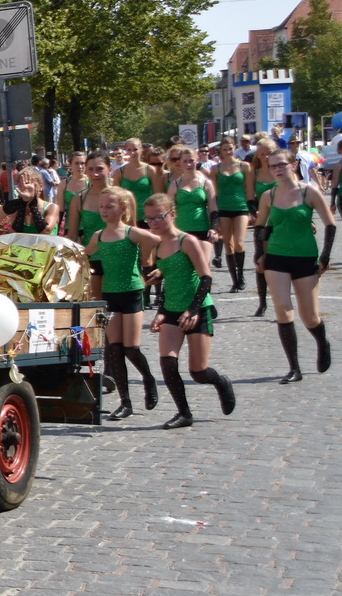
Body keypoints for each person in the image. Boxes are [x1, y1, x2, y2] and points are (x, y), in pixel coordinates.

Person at [144, 193, 237, 428]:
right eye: (149, 219)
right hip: (172, 310)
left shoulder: (187, 241)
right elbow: (171, 280)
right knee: (167, 362)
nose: (154, 223)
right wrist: (161, 311)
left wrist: (194, 310)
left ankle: (221, 382)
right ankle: (184, 413)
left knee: (198, 371)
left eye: (159, 217)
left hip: (197, 307)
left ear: (172, 215)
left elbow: (206, 278)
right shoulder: (156, 245)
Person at [252, 149, 335, 384]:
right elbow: (261, 226)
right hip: (276, 257)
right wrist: (260, 253)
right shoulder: (268, 195)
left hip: (305, 256)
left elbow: (330, 224)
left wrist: (325, 256)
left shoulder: (309, 191)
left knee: (309, 316)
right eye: (273, 166)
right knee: (282, 309)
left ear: (294, 164)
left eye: (281, 165)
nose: (277, 169)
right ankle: (294, 367)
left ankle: (322, 341)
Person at [83, 187, 161, 420]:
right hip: (110, 295)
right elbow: (83, 254)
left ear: (123, 209)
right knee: (114, 349)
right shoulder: (98, 235)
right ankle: (125, 402)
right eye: (102, 206)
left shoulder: (132, 233)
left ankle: (148, 379)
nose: (104, 210)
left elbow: (160, 240)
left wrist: (154, 265)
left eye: (110, 206)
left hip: (132, 292)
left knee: (131, 348)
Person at [67, 150, 115, 300]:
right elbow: (73, 235)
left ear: (109, 169)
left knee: (117, 307)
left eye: (100, 169)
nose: (95, 174)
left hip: (118, 257)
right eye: (91, 169)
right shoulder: (79, 199)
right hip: (92, 257)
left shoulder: (123, 196)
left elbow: (132, 230)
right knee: (96, 308)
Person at [166, 144, 220, 274]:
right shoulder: (175, 185)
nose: (189, 164)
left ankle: (204, 294)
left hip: (202, 228)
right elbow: (168, 210)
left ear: (197, 160)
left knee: (203, 269)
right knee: (184, 269)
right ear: (180, 163)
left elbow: (213, 208)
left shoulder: (205, 183)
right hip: (181, 230)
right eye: (185, 161)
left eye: (191, 160)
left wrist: (214, 228)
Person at [213, 138, 253, 292]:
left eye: (230, 148)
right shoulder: (216, 169)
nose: (228, 152)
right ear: (221, 152)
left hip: (241, 207)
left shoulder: (244, 166)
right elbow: (214, 194)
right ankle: (234, 279)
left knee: (239, 243)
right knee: (228, 245)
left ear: (234, 148)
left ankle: (241, 274)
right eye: (225, 149)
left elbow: (249, 190)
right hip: (224, 208)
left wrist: (251, 209)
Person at [247, 137, 280, 316]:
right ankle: (262, 302)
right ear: (257, 156)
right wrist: (255, 212)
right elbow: (250, 198)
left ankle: (280, 302)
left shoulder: (281, 171)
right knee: (261, 260)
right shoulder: (255, 173)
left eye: (269, 153)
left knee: (281, 262)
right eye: (262, 154)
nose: (266, 157)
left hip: (282, 222)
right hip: (263, 223)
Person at [0, 166, 58, 235]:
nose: (24, 187)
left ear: (41, 186)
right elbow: (15, 233)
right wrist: (23, 204)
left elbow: (46, 231)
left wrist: (32, 204)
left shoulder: (52, 207)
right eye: (20, 185)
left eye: (27, 183)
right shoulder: (17, 208)